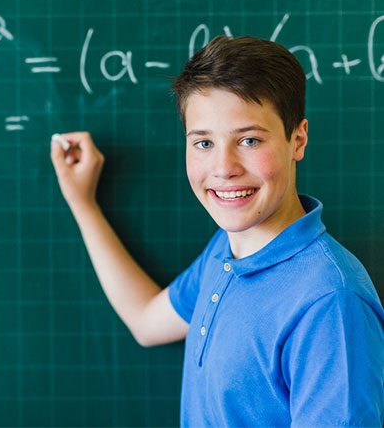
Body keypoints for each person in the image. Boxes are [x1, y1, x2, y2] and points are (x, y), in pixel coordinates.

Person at [50, 35, 384, 426]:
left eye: (249, 139)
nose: (224, 167)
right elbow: (145, 320)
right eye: (204, 143)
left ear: (298, 139)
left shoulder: (329, 300)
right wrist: (82, 203)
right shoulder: (226, 253)